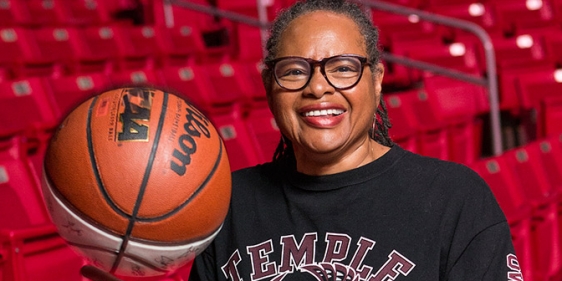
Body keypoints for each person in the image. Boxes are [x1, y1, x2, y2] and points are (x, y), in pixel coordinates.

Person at [82, 0, 522, 280]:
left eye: (344, 67)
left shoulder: (455, 199)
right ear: (269, 87)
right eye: (294, 70)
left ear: (378, 80)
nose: (318, 88)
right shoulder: (227, 204)